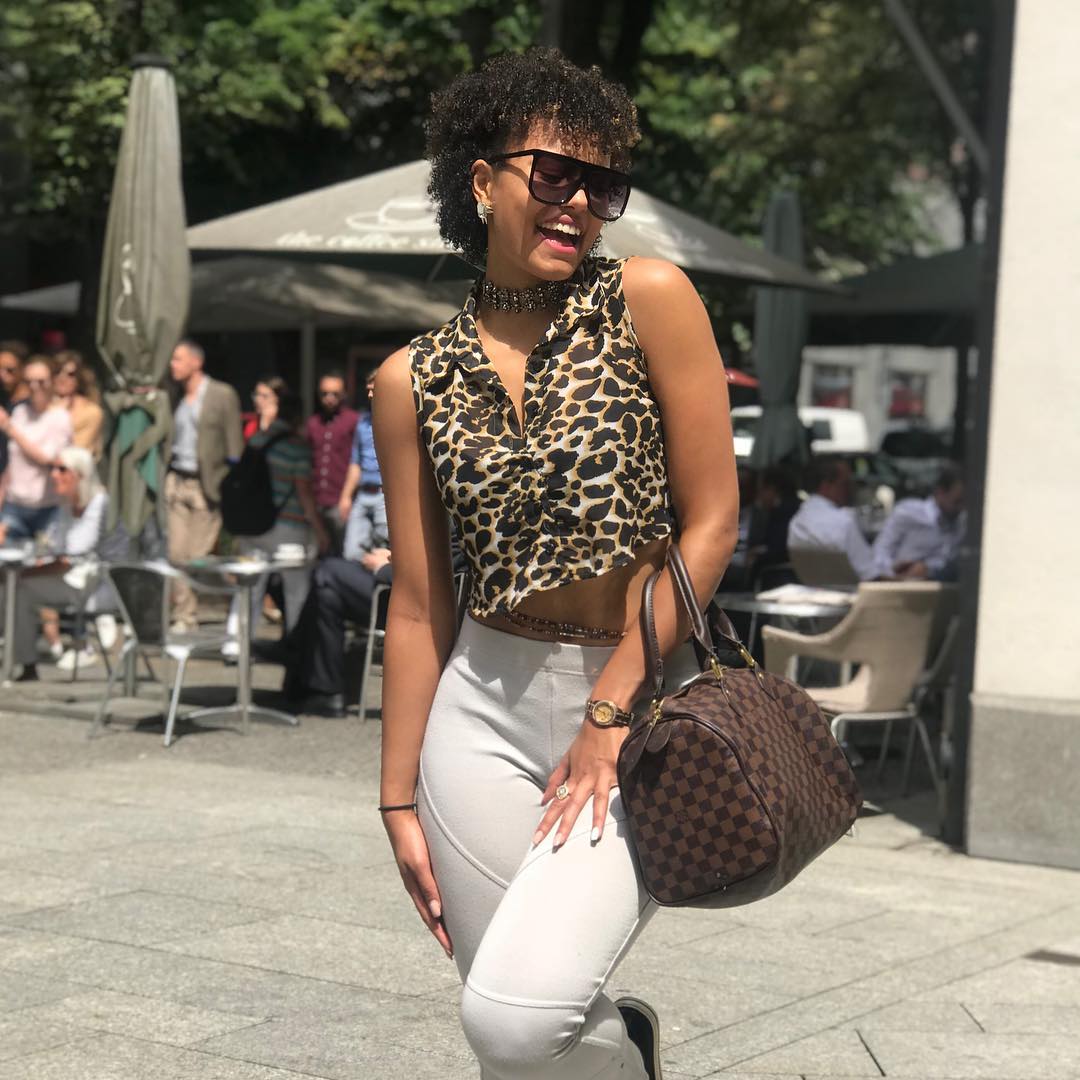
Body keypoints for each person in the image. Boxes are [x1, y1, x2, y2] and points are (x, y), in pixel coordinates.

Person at [374, 49, 738, 1080]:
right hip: (478, 711)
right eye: (553, 173)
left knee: (515, 1021)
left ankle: (629, 1048)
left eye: (602, 184)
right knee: (518, 1033)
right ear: (482, 181)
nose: (580, 201)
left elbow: (712, 522)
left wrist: (608, 711)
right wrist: (396, 798)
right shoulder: (410, 379)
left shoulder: (649, 299)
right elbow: (419, 604)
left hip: (638, 704)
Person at [223, 378, 329, 655]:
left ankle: (234, 645)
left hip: (255, 527)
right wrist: (320, 531)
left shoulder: (257, 440)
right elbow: (304, 492)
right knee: (296, 590)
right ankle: (297, 646)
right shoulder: (297, 446)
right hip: (288, 529)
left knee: (250, 587)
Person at [0, 447, 114, 680]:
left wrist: (27, 572)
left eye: (62, 469)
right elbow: (51, 547)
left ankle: (24, 662)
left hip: (101, 584)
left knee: (18, 588)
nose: (54, 474)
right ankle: (24, 662)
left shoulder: (100, 503)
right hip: (72, 578)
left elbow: (73, 551)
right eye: (53, 468)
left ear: (80, 475)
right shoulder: (66, 506)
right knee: (13, 588)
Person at [258, 547, 394, 717]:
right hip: (391, 583)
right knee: (327, 596)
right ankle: (325, 693)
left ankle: (293, 652)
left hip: (399, 594)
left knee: (326, 570)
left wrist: (384, 566)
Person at [165, 339, 242, 632]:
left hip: (207, 485)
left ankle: (227, 600)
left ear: (196, 362)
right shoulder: (174, 396)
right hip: (177, 481)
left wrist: (230, 486)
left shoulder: (222, 394)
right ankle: (184, 615)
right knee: (176, 554)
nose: (172, 365)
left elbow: (234, 445)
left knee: (196, 557)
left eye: (178, 359)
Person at [0, 355, 73, 540]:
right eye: (29, 381)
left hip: (48, 510)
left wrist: (9, 428)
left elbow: (47, 459)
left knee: (46, 558)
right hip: (13, 506)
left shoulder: (60, 417)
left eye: (41, 381)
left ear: (53, 381)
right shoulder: (19, 412)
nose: (34, 387)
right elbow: (11, 465)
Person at [787, 455, 877, 581]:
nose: (851, 489)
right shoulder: (842, 522)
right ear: (826, 486)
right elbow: (871, 574)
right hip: (854, 590)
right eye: (845, 484)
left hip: (814, 589)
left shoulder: (796, 523)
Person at [872, 464, 966, 580]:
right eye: (957, 502)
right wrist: (894, 571)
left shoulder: (962, 524)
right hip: (901, 582)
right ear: (940, 493)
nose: (961, 508)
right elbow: (879, 553)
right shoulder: (908, 512)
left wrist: (928, 570)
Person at [305, 370, 358, 554]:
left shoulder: (353, 421)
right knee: (317, 553)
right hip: (317, 500)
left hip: (340, 500)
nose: (329, 398)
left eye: (335, 394)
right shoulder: (313, 423)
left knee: (343, 553)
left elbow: (357, 460)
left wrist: (347, 496)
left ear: (343, 394)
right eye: (324, 393)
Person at [339, 366, 388, 560]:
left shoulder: (396, 420)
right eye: (368, 390)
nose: (369, 395)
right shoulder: (363, 422)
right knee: (352, 552)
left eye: (374, 390)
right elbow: (356, 462)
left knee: (385, 548)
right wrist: (346, 496)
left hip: (385, 494)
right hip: (363, 493)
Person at [52, 349, 105, 459]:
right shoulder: (40, 406)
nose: (62, 378)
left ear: (78, 379)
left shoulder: (91, 412)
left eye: (70, 374)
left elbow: (78, 452)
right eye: (57, 372)